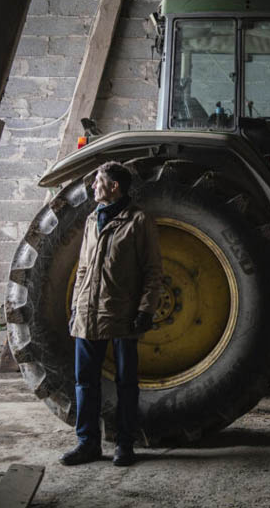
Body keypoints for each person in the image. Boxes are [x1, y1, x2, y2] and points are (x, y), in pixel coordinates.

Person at [59, 161, 163, 467]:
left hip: (122, 314)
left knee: (126, 383)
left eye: (98, 181)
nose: (93, 186)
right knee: (85, 382)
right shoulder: (92, 219)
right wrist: (76, 306)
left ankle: (124, 444)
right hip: (88, 314)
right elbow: (83, 268)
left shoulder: (139, 221)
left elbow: (153, 271)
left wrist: (145, 309)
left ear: (114, 186)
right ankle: (87, 443)